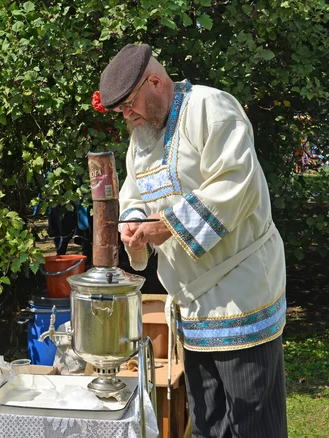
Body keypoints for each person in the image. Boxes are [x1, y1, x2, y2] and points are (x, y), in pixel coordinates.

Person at [98, 44, 287, 437]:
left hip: (241, 293)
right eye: (119, 111)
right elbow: (135, 195)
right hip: (192, 308)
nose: (126, 116)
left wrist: (165, 227)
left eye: (129, 106)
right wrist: (133, 230)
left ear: (155, 81)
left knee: (252, 423)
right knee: (206, 423)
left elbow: (236, 185)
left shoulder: (210, 108)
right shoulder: (143, 137)